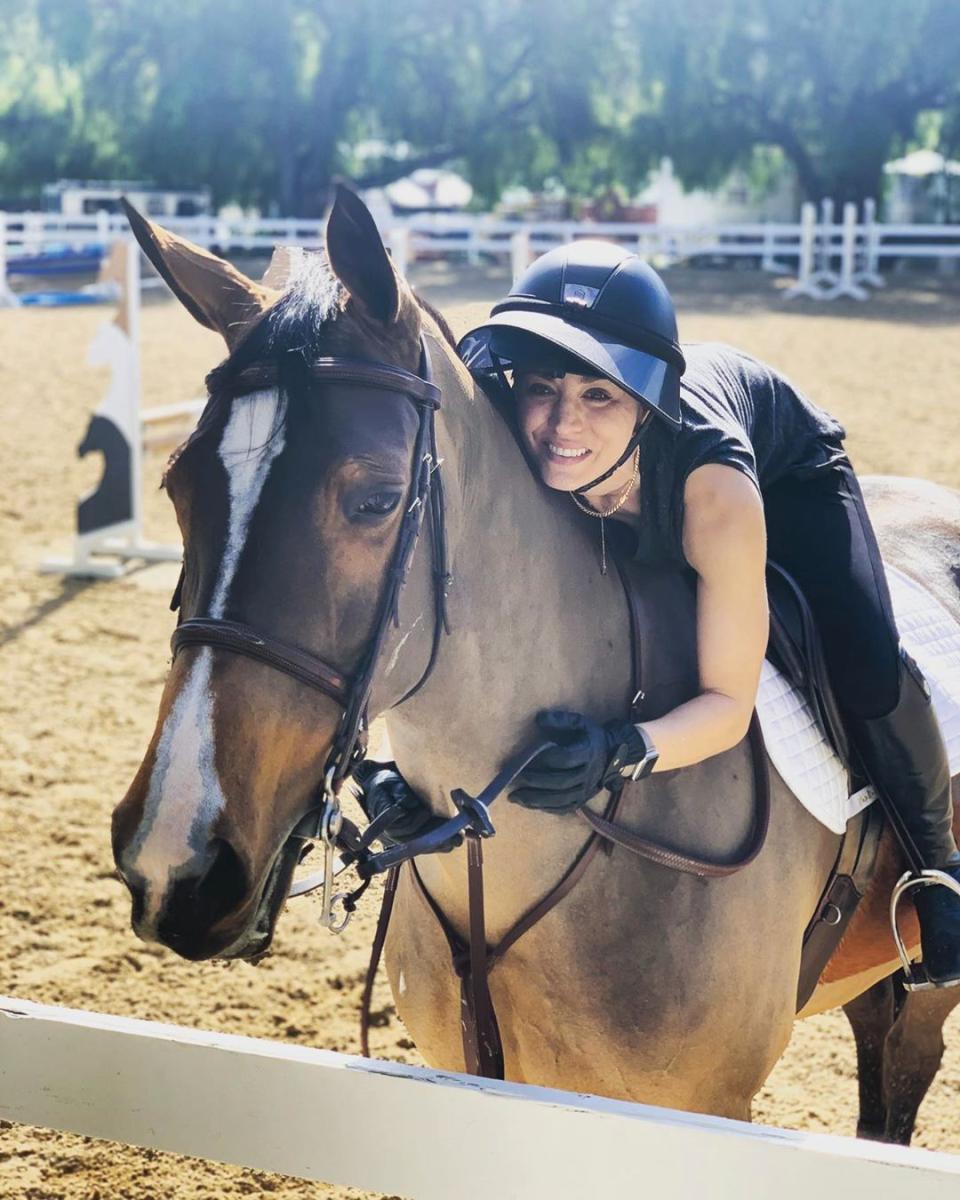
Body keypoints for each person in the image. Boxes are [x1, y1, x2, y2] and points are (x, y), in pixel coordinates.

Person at [357, 240, 960, 987]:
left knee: (865, 661)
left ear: (644, 404)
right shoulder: (505, 421)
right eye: (541, 387)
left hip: (786, 467)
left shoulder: (718, 492)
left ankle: (939, 873)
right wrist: (387, 759)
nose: (560, 426)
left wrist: (621, 748)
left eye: (598, 395)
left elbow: (728, 707)